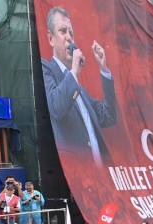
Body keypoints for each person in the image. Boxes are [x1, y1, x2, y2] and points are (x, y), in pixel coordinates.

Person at [39, 5, 118, 166]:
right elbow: (56, 107)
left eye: (71, 33)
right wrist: (74, 72)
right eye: (63, 31)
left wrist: (103, 68)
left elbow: (109, 116)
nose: (69, 38)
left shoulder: (79, 89)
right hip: (76, 175)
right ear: (50, 39)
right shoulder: (45, 69)